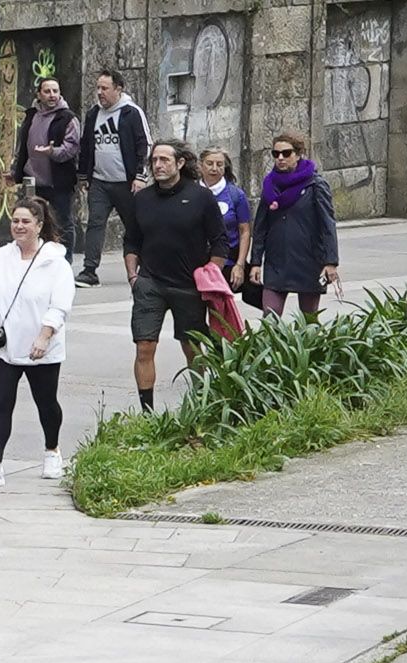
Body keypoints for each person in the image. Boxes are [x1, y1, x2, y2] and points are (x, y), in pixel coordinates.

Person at [0, 197, 76, 487]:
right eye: (15, 221)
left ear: (39, 225)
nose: (19, 226)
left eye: (26, 221)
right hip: (5, 347)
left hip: (42, 349)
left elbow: (60, 305)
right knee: (1, 403)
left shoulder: (55, 262)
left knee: (46, 403)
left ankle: (52, 450)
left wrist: (45, 336)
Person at [125, 141, 228, 410]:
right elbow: (131, 240)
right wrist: (133, 277)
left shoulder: (201, 197)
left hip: (189, 286)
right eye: (154, 160)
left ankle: (200, 403)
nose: (158, 165)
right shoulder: (142, 199)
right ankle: (147, 413)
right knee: (144, 347)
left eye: (164, 160)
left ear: (180, 163)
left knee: (192, 347)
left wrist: (210, 275)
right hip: (150, 284)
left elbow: (219, 242)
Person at [250, 132, 340, 319]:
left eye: (286, 153)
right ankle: (272, 348)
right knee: (270, 317)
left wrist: (330, 262)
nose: (280, 158)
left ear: (298, 154)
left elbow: (327, 224)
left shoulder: (315, 184)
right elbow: (260, 227)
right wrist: (256, 262)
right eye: (276, 154)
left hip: (308, 261)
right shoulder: (270, 185)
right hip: (277, 261)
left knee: (309, 320)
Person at [76, 69, 152, 288]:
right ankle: (90, 270)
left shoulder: (131, 113)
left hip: (126, 183)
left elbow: (143, 145)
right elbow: (86, 145)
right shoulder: (93, 114)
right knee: (95, 223)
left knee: (135, 225)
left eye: (105, 88)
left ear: (118, 89)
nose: (100, 93)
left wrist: (140, 176)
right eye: (98, 88)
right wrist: (84, 175)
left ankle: (147, 266)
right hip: (100, 181)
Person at [10, 77, 81, 257]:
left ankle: (65, 261)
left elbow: (71, 148)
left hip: (59, 181)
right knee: (32, 221)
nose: (52, 95)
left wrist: (52, 152)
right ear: (39, 94)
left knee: (63, 221)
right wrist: (14, 171)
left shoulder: (68, 118)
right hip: (33, 181)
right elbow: (22, 146)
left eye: (55, 91)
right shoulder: (31, 115)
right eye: (47, 91)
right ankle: (35, 258)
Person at [201, 148, 255, 297]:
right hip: (197, 264)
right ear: (201, 165)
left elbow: (245, 231)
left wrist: (240, 265)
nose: (214, 168)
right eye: (209, 163)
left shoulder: (236, 195)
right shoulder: (191, 193)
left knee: (222, 312)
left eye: (219, 164)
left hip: (227, 262)